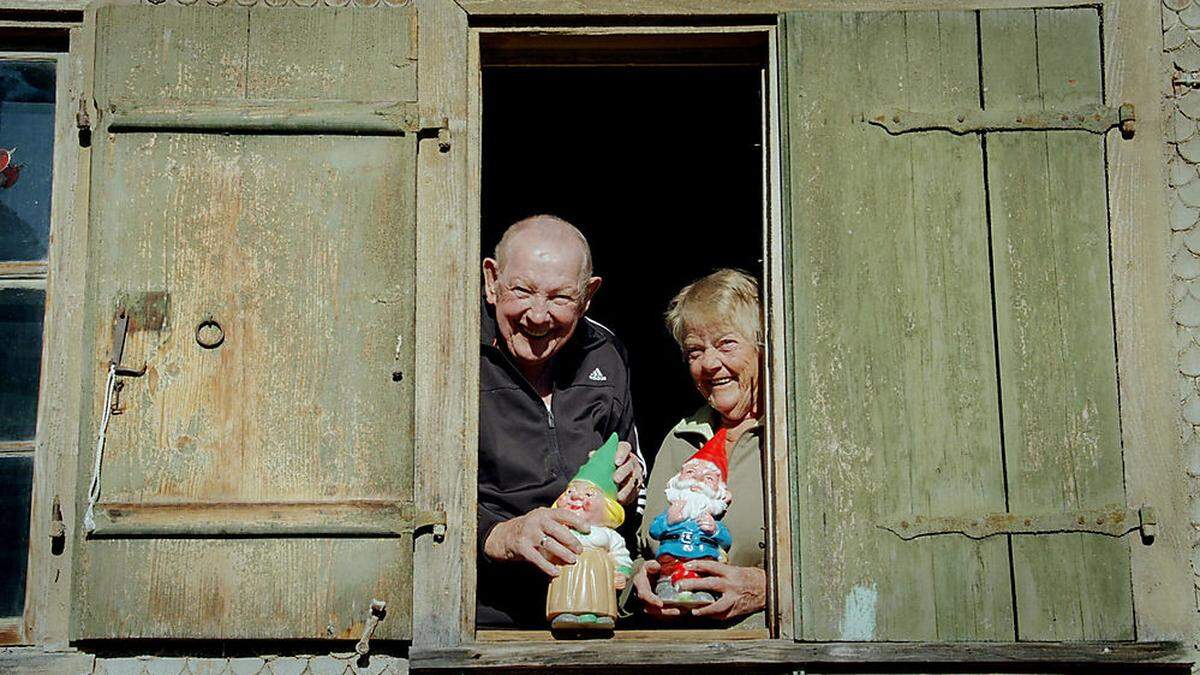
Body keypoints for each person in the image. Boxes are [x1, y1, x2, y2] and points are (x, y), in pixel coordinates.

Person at [478, 214, 646, 627]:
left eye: (560, 298)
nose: (538, 315)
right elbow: (413, 491)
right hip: (479, 614)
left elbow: (634, 475)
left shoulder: (605, 354)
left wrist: (627, 485)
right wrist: (498, 534)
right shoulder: (452, 350)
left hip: (590, 607)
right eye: (522, 290)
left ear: (588, 296)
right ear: (491, 281)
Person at [632, 268, 766, 625]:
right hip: (676, 648)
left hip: (765, 651)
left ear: (763, 347)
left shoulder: (791, 439)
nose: (709, 363)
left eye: (726, 344)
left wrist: (768, 587)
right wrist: (636, 581)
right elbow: (640, 549)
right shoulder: (679, 440)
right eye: (695, 351)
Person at [544, 433, 634, 631]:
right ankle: (564, 612)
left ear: (608, 508)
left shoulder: (608, 535)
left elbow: (621, 554)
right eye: (570, 492)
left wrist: (622, 572)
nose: (576, 497)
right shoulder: (559, 530)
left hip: (599, 571)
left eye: (588, 494)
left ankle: (598, 614)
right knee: (566, 590)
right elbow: (544, 551)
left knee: (597, 593)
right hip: (566, 568)